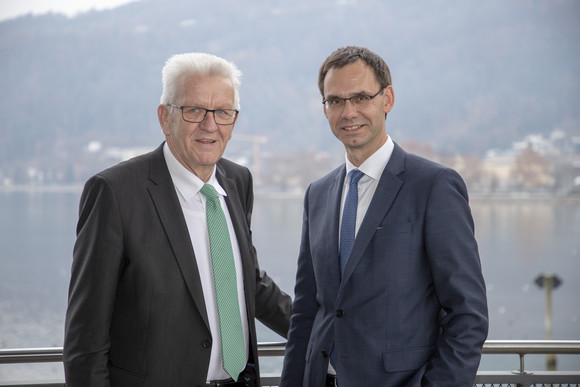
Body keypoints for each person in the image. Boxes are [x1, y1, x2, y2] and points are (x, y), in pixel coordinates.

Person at [63, 52, 292, 387]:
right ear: (164, 117)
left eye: (222, 112)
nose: (210, 125)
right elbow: (85, 339)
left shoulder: (238, 181)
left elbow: (247, 282)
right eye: (194, 110)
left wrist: (323, 333)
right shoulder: (115, 192)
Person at [280, 46, 488, 386]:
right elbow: (306, 310)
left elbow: (467, 314)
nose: (348, 112)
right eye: (335, 101)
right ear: (325, 109)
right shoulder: (317, 194)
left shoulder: (433, 186)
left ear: (387, 99)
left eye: (361, 97)